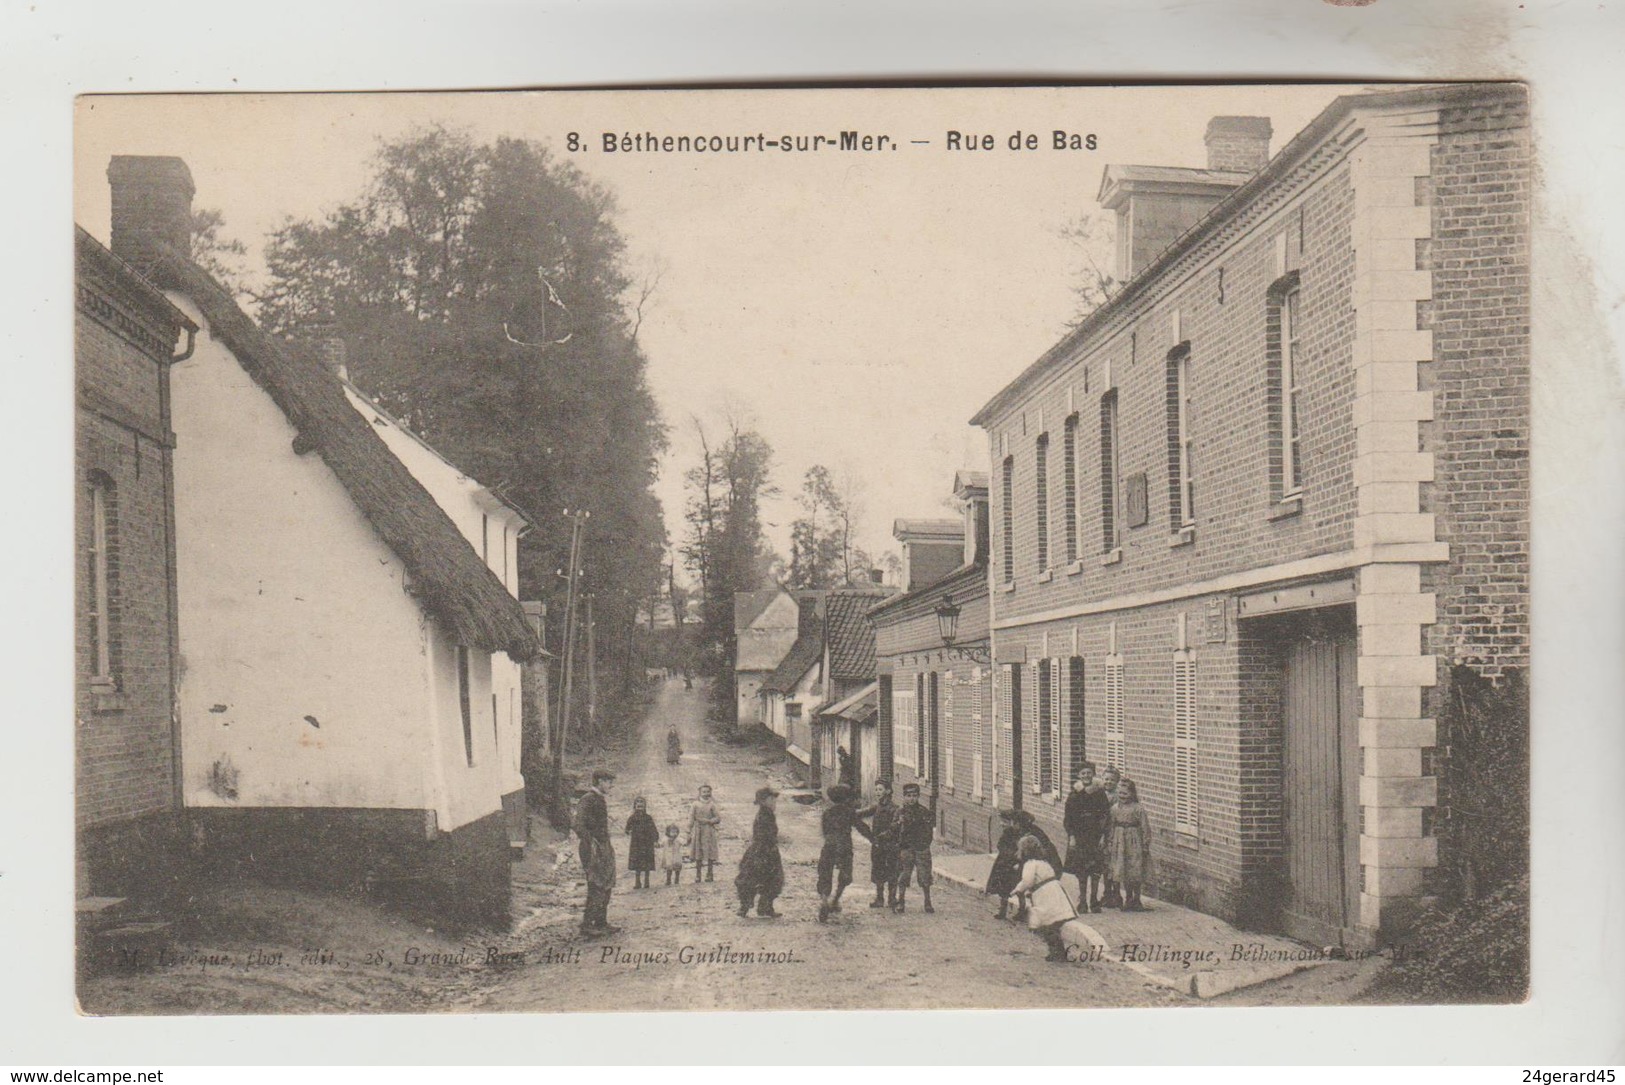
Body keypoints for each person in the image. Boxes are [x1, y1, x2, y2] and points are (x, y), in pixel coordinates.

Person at [1012, 834, 1079, 963]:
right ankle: (1058, 952)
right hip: (1055, 892)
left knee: (1047, 924)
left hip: (1045, 896)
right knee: (1053, 924)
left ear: (1024, 851)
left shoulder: (1030, 864)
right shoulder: (1044, 863)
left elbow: (1027, 880)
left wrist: (1018, 889)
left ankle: (1057, 953)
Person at [816, 784, 873, 922]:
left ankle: (824, 900)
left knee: (825, 873)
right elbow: (861, 827)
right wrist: (873, 839)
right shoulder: (849, 812)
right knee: (845, 874)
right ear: (846, 799)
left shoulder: (827, 813)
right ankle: (835, 900)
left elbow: (825, 831)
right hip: (844, 846)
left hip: (829, 845)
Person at [573, 769, 618, 936]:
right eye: (608, 781)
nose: (611, 785)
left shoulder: (598, 799)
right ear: (599, 781)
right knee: (596, 884)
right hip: (593, 849)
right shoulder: (588, 799)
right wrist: (591, 842)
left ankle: (601, 922)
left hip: (603, 846)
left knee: (606, 883)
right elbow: (578, 825)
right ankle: (587, 925)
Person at [1063, 763, 1112, 913]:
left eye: (1089, 773)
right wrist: (1071, 836)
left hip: (1095, 835)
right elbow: (1069, 818)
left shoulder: (1099, 793)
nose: (1086, 776)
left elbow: (1105, 815)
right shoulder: (1074, 794)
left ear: (1093, 774)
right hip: (1080, 836)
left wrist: (1104, 836)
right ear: (1079, 776)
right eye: (1083, 773)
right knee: (1082, 869)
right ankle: (1083, 900)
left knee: (1096, 869)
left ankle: (1094, 899)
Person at [734, 786, 784, 918]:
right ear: (763, 801)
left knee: (762, 879)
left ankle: (761, 907)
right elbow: (764, 835)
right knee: (758, 878)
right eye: (771, 800)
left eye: (774, 800)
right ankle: (751, 906)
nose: (774, 803)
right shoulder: (764, 815)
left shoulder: (767, 814)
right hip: (763, 850)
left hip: (762, 850)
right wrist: (775, 841)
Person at [1106, 778, 1154, 911]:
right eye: (1120, 794)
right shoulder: (1114, 809)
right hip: (1119, 841)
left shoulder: (1138, 809)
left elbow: (1145, 827)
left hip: (1134, 841)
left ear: (1132, 794)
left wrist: (1145, 844)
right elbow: (1111, 826)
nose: (1122, 797)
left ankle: (1136, 898)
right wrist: (1110, 842)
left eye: (1125, 794)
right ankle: (1127, 898)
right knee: (1124, 869)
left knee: (1135, 868)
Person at [892, 781, 938, 914]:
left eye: (914, 796)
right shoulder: (900, 812)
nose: (911, 799)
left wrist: (924, 845)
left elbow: (929, 832)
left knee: (924, 876)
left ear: (918, 797)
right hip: (906, 848)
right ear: (904, 797)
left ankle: (927, 901)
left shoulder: (924, 812)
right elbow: (893, 829)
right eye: (908, 796)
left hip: (921, 848)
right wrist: (898, 824)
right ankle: (901, 901)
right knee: (903, 875)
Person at [856, 779, 899, 909]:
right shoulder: (876, 807)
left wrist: (881, 837)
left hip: (890, 845)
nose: (877, 792)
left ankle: (892, 899)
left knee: (892, 871)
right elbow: (860, 814)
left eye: (880, 789)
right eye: (876, 789)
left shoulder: (894, 809)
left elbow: (894, 827)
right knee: (878, 870)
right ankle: (879, 899)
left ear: (888, 791)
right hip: (877, 845)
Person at [984, 809, 1024, 919]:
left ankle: (1022, 910)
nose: (1002, 824)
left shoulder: (1020, 834)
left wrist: (1014, 856)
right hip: (1004, 863)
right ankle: (1002, 910)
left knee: (1020, 887)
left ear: (1012, 822)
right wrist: (1006, 853)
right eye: (1002, 822)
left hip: (1015, 863)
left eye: (1005, 822)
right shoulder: (1006, 833)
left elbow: (1021, 849)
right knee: (1003, 888)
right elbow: (1000, 845)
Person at [1099, 765, 1124, 908]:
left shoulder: (1118, 797)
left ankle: (1116, 894)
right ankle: (1107, 893)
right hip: (1102, 833)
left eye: (1112, 780)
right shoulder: (1099, 794)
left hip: (1114, 833)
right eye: (1106, 779)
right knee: (1105, 865)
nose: (1108, 782)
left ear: (1117, 782)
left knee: (1115, 864)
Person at [688, 783, 722, 882]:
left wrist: (710, 821)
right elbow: (691, 818)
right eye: (704, 792)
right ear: (699, 793)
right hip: (698, 830)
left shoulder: (712, 805)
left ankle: (709, 873)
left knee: (710, 852)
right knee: (698, 852)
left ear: (710, 793)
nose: (706, 794)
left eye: (708, 792)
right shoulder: (695, 804)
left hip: (709, 831)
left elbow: (718, 818)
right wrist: (688, 831)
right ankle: (698, 874)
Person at [624, 797, 659, 890]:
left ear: (645, 806)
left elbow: (653, 829)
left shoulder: (648, 818)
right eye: (638, 803)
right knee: (637, 863)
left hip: (647, 843)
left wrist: (655, 839)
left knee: (647, 862)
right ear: (634, 806)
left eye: (642, 803)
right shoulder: (632, 818)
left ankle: (647, 881)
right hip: (636, 843)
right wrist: (628, 831)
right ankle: (637, 882)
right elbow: (627, 828)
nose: (640, 805)